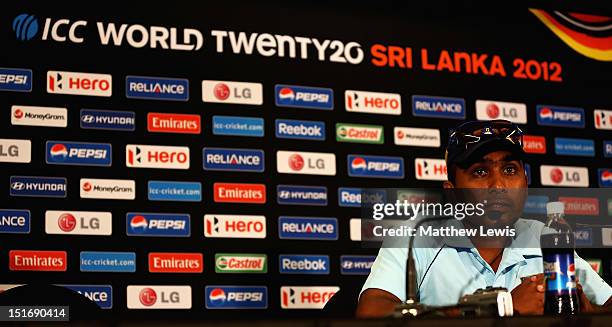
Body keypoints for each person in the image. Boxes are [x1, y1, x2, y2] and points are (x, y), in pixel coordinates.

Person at [356, 119, 612, 318]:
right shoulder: (416, 236)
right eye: (480, 172)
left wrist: (587, 312)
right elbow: (372, 312)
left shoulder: (545, 236)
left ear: (525, 183)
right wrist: (501, 307)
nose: (498, 185)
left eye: (510, 170)